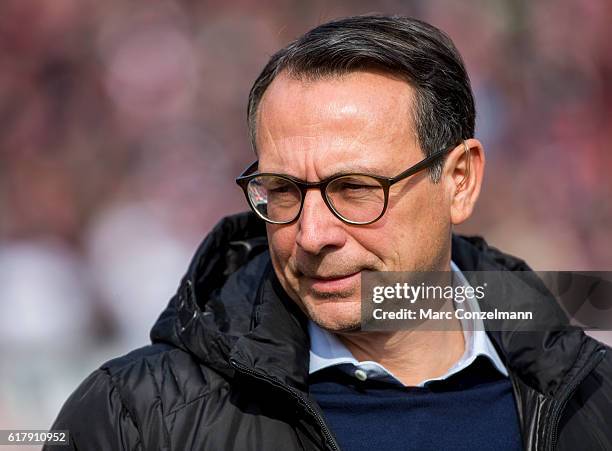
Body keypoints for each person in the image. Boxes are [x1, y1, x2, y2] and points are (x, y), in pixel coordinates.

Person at [45, 15, 611, 450]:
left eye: (356, 189)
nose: (312, 234)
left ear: (459, 181)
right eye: (283, 190)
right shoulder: (134, 420)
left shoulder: (593, 397)